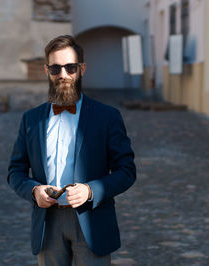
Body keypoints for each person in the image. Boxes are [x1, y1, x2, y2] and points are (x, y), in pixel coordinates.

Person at [7, 35, 136, 265]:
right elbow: (15, 172)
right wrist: (34, 191)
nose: (63, 75)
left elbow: (127, 171)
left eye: (70, 67)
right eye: (56, 68)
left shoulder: (107, 117)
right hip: (48, 224)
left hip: (92, 220)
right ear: (47, 70)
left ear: (82, 69)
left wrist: (91, 190)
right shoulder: (31, 119)